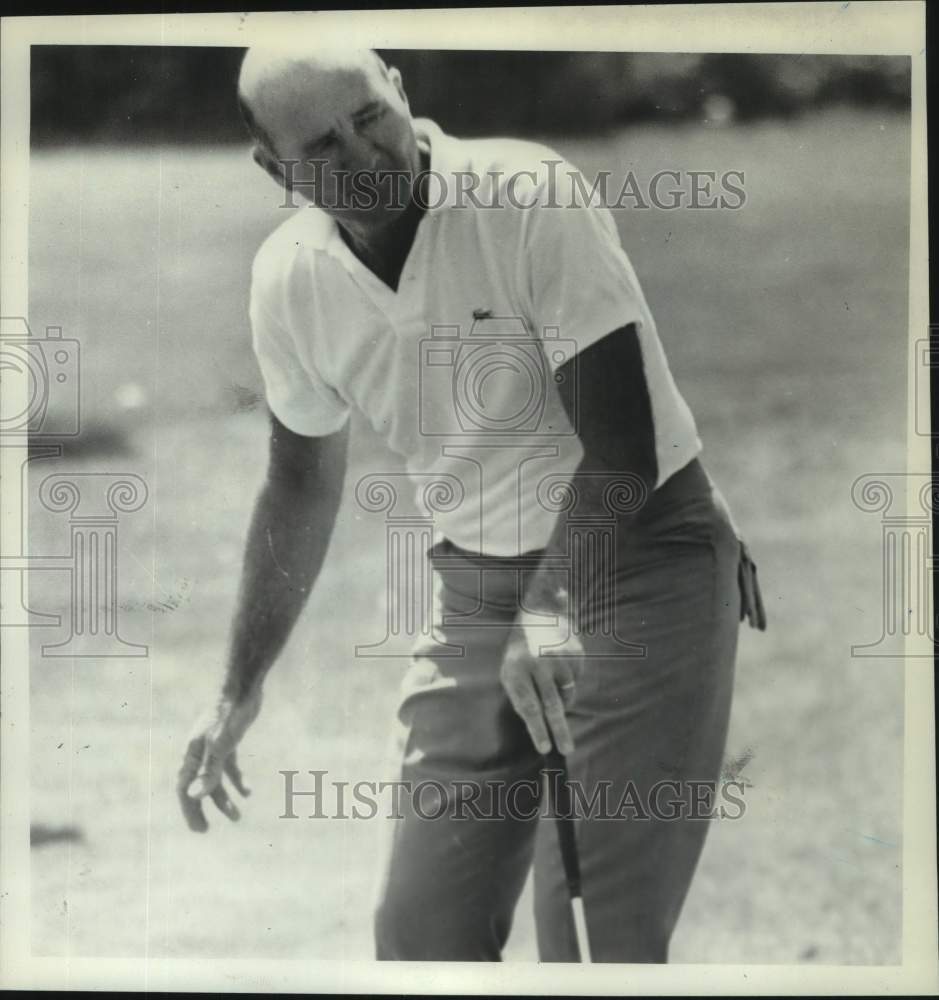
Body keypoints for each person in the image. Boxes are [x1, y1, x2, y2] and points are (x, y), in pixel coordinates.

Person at [177, 45, 766, 963]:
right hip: (478, 592)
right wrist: (235, 689)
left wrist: (551, 609)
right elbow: (299, 481)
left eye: (369, 116)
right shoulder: (287, 280)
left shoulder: (526, 193)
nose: (363, 156)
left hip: (639, 554)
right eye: (321, 146)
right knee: (421, 935)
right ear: (274, 169)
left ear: (401, 93)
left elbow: (621, 446)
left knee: (587, 921)